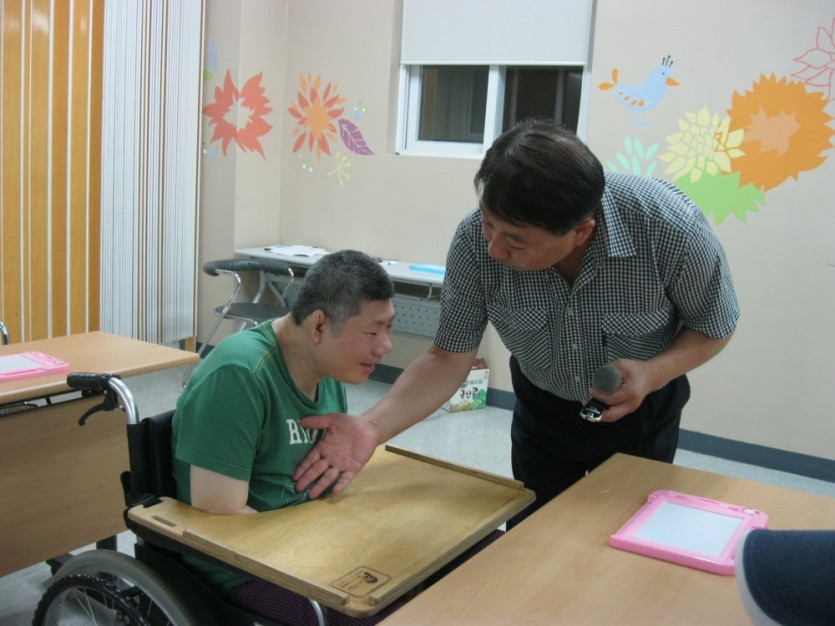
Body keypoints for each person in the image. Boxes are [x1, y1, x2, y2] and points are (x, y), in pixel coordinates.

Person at [293, 119, 740, 528]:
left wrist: (652, 372)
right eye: (490, 224)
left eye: (516, 241)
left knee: (626, 536)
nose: (495, 250)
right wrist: (370, 427)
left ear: (580, 232)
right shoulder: (474, 241)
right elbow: (447, 358)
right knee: (534, 533)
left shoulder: (668, 229)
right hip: (543, 410)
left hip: (642, 414)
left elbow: (714, 326)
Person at [172, 249, 403, 625]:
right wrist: (321, 555)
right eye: (373, 331)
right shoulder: (240, 373)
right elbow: (220, 512)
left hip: (308, 542)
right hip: (246, 569)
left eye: (389, 328)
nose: (386, 346)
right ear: (319, 325)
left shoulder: (327, 368)